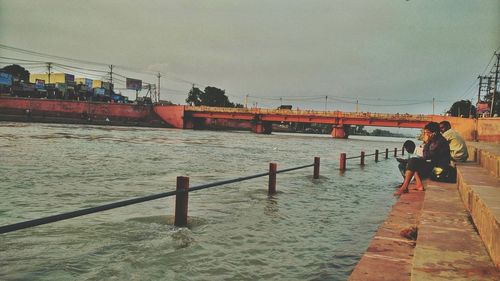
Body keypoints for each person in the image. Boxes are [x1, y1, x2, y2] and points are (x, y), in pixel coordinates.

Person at [394, 122, 451, 196]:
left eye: (427, 133)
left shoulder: (439, 142)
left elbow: (426, 155)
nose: (426, 134)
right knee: (413, 162)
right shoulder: (435, 140)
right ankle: (418, 185)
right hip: (436, 167)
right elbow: (427, 156)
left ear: (434, 133)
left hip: (440, 171)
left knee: (413, 162)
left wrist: (427, 141)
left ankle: (404, 187)